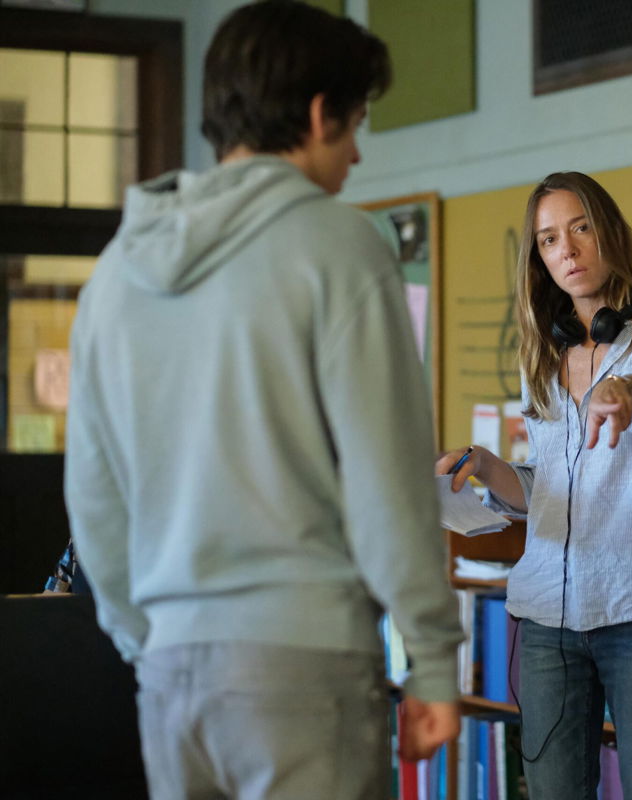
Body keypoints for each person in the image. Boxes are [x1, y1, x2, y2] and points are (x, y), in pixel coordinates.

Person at [64, 2, 462, 797]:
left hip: (170, 680)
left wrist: (152, 643)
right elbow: (387, 485)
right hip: (304, 670)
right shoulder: (341, 248)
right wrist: (433, 661)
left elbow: (94, 501)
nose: (354, 155)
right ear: (318, 116)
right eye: (353, 127)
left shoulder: (114, 275)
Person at [437, 171, 632, 799]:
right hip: (546, 621)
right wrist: (484, 465)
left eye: (581, 228)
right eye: (550, 239)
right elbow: (545, 487)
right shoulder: (540, 358)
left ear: (608, 232)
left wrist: (623, 389)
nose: (568, 250)